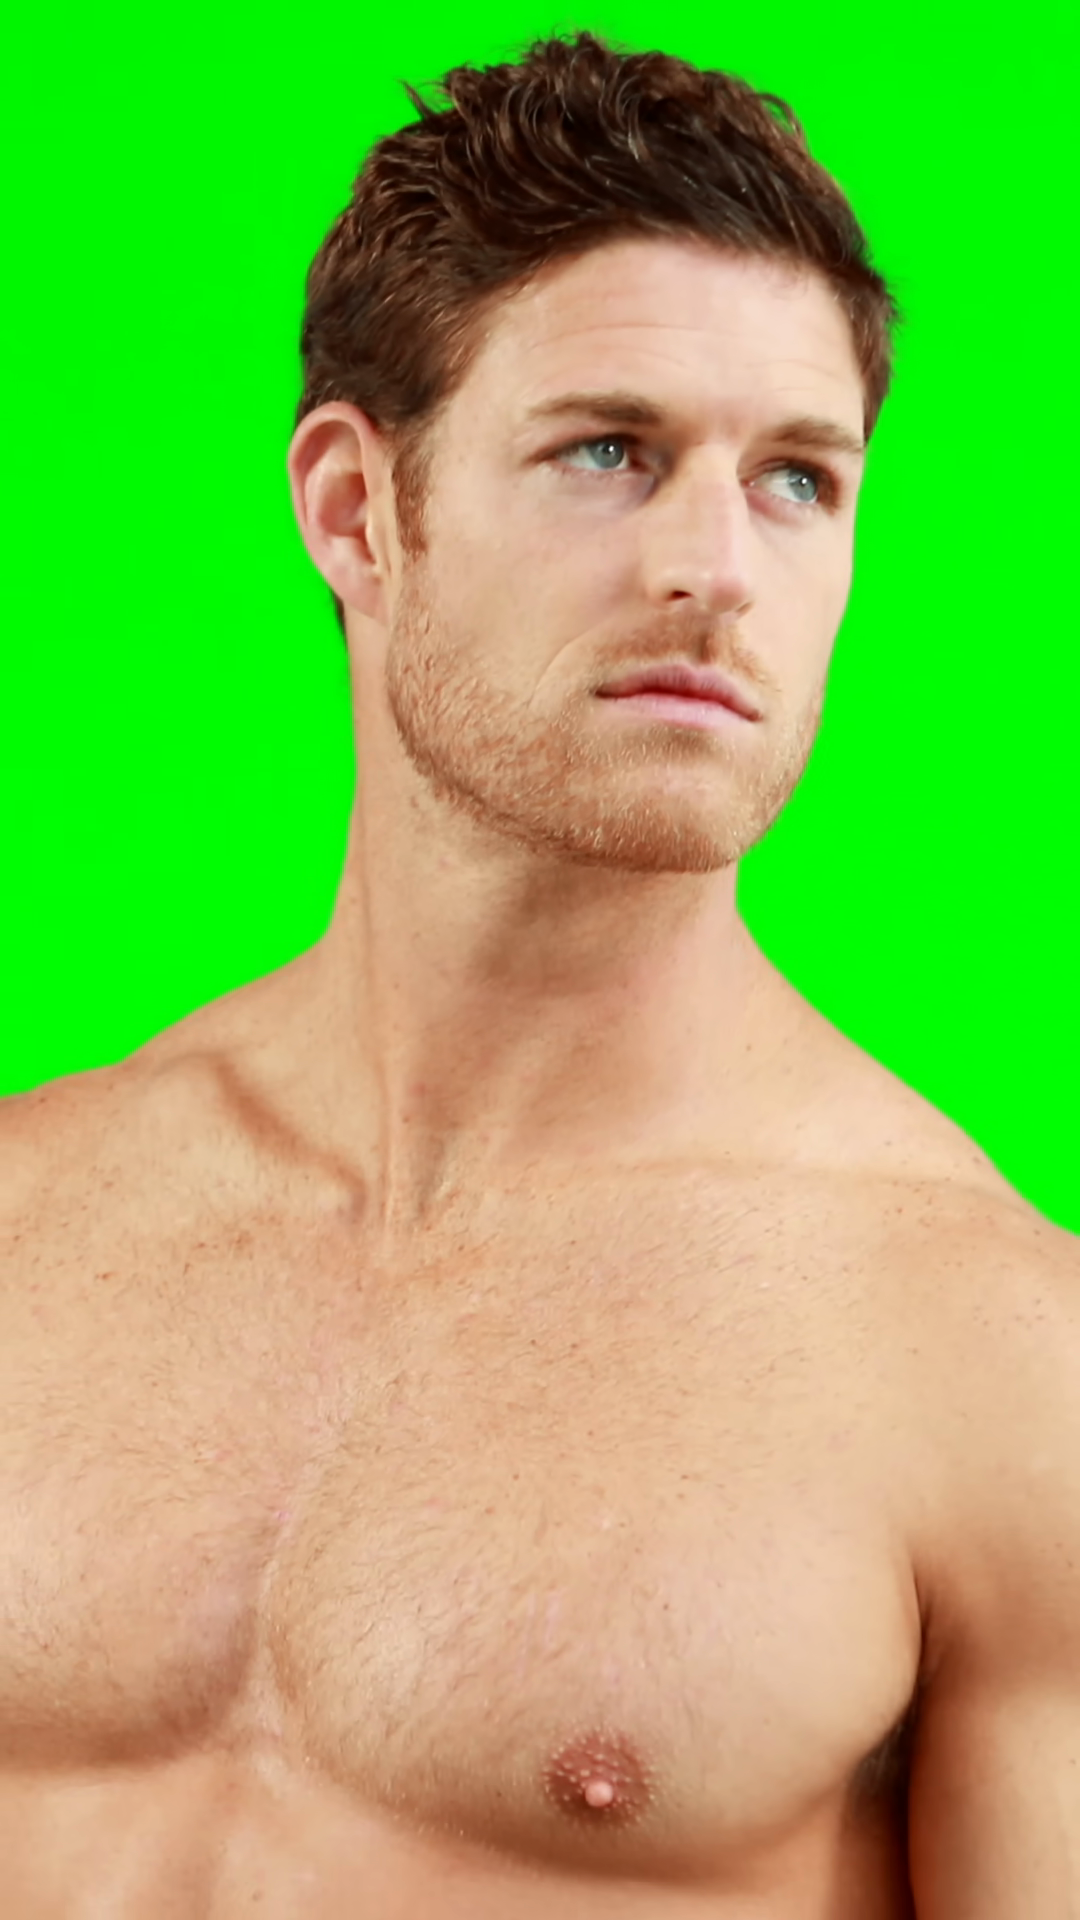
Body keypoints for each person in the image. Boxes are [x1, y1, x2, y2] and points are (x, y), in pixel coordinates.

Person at [1, 29, 1076, 1917]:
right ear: (357, 511)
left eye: (798, 480)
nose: (717, 567)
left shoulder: (993, 1365)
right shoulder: (31, 1213)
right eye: (610, 452)